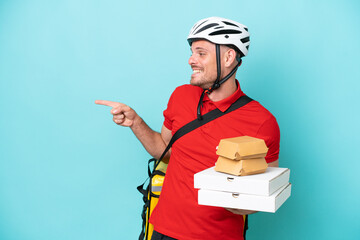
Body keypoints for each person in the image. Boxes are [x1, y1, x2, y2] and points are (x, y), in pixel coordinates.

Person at [96, 17, 280, 240]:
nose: (191, 60)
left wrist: (245, 204)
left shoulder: (261, 121)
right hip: (163, 231)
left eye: (201, 53)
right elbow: (163, 149)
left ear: (229, 57)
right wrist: (135, 122)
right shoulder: (181, 96)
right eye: (192, 52)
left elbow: (264, 190)